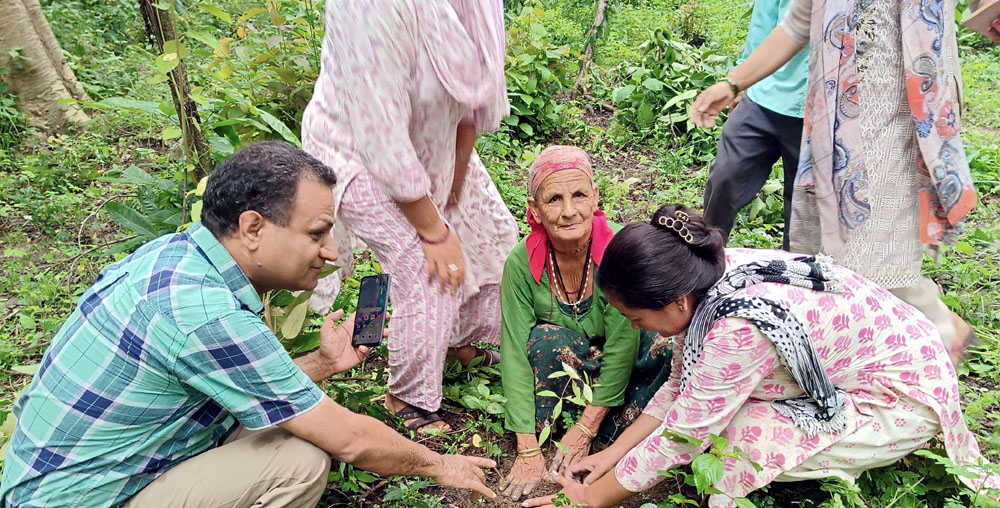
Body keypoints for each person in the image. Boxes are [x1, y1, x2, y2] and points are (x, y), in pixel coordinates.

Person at [0, 142, 497, 508]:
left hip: (83, 475)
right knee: (298, 462)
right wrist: (441, 464)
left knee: (283, 428)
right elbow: (349, 439)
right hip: (82, 499)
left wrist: (323, 362)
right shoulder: (206, 312)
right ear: (254, 228)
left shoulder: (181, 258)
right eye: (317, 233)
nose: (329, 251)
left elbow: (246, 384)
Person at [523, 204, 1000, 508]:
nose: (634, 327)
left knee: (730, 438)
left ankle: (837, 470)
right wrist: (612, 454)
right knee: (710, 413)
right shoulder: (705, 271)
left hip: (901, 397)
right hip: (891, 350)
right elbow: (680, 386)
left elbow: (683, 437)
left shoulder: (737, 327)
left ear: (675, 303)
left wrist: (588, 500)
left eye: (636, 317)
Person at [690, 0, 1000, 364]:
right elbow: (795, 25)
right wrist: (732, 83)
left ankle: (934, 333)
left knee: (874, 251)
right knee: (837, 249)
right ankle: (897, 339)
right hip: (834, 129)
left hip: (898, 124)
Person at [301, 0, 518, 433]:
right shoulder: (366, 7)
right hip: (357, 147)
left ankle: (455, 341)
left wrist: (455, 185)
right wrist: (434, 231)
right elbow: (379, 131)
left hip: (432, 142)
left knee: (491, 235)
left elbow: (474, 104)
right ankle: (408, 398)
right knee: (424, 267)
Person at [497, 146, 672, 499]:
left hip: (628, 365)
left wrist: (586, 428)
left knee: (665, 351)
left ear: (595, 197)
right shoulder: (521, 263)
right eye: (554, 199)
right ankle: (578, 428)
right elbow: (513, 350)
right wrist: (527, 449)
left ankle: (602, 427)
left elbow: (623, 347)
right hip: (573, 366)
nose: (568, 211)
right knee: (543, 341)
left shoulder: (619, 250)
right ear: (534, 209)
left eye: (579, 195)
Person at [701, 0, 809, 250]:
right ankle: (707, 255)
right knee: (725, 176)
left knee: (804, 205)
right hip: (764, 93)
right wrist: (740, 83)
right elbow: (765, 21)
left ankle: (799, 272)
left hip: (820, 110)